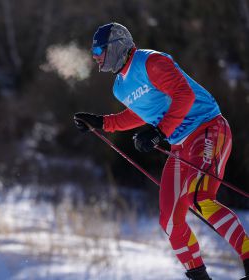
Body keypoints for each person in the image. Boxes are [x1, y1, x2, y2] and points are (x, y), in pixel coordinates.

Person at [74, 22, 249, 280]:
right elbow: (139, 112)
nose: (95, 56)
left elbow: (184, 95)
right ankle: (199, 276)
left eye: (99, 49)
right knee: (169, 219)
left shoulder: (151, 62)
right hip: (180, 145)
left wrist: (159, 131)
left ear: (116, 47)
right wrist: (102, 123)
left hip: (208, 129)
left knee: (199, 199)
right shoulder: (119, 87)